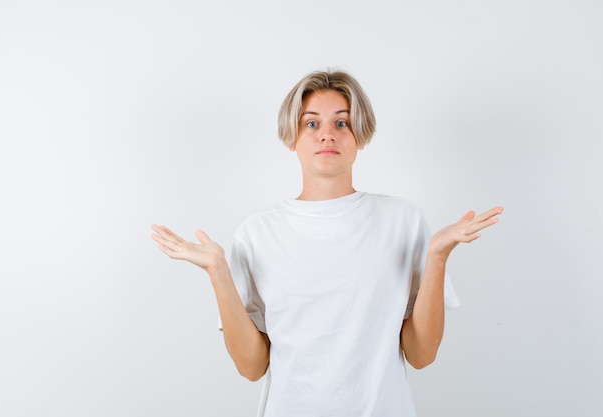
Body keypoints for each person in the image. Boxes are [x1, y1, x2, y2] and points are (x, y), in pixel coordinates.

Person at [151, 69, 503, 417]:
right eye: (312, 124)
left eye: (342, 123)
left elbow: (421, 355)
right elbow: (252, 367)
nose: (327, 136)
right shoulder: (256, 233)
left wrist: (438, 257)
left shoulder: (403, 221)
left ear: (360, 136)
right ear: (292, 137)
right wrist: (218, 272)